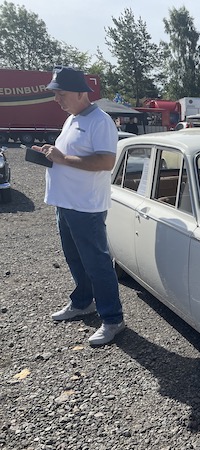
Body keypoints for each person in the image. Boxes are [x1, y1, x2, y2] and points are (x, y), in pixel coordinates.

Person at [32, 66, 125, 346]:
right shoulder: (72, 119)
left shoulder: (100, 121)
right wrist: (51, 153)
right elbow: (70, 155)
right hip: (66, 203)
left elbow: (106, 162)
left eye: (61, 94)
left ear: (80, 93)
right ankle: (83, 302)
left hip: (86, 206)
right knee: (75, 258)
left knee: (97, 264)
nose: (56, 99)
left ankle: (113, 319)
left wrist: (62, 159)